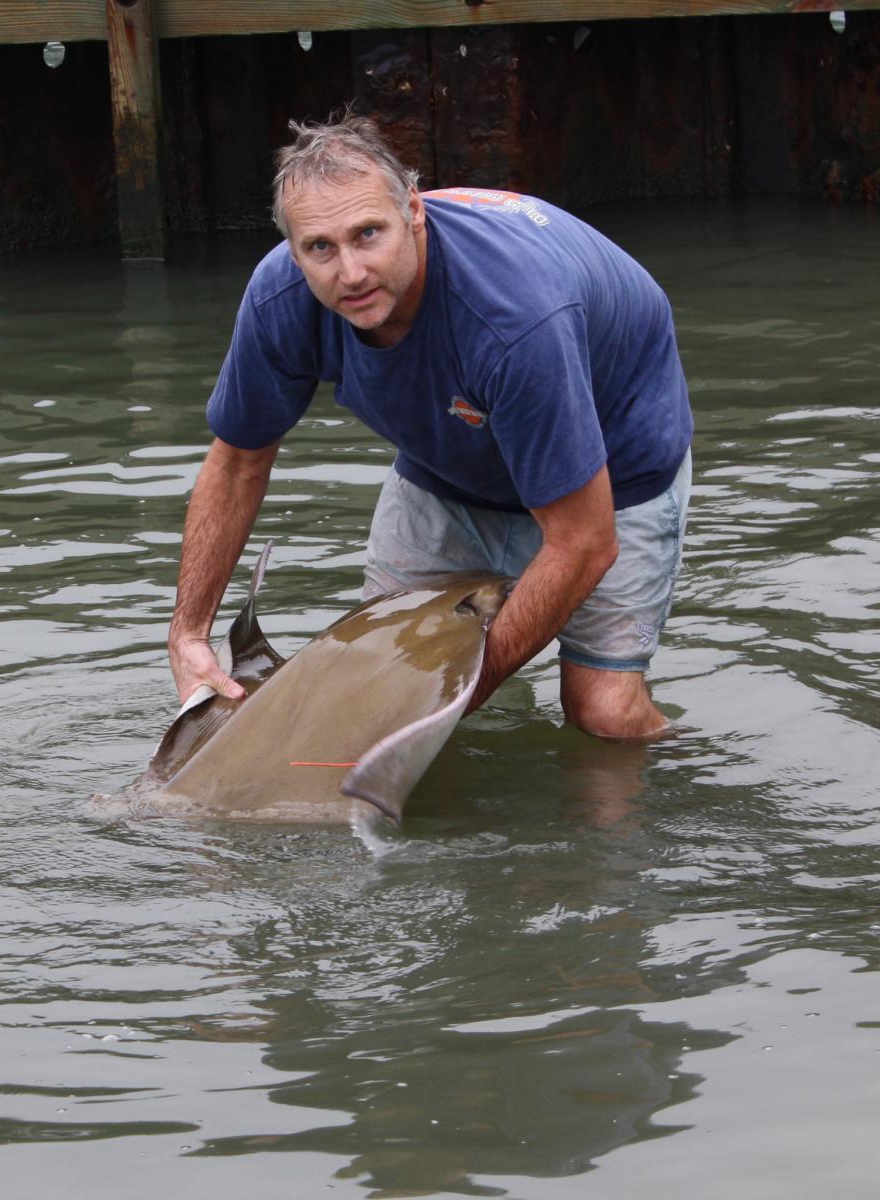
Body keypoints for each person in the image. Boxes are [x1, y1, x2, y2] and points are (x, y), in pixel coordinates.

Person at [168, 112, 692, 739]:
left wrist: (459, 695)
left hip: (614, 460)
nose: (352, 273)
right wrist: (188, 633)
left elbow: (585, 542)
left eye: (369, 234)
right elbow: (236, 463)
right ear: (292, 250)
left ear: (414, 212)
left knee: (601, 714)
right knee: (382, 689)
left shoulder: (515, 319)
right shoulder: (280, 297)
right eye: (321, 248)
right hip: (447, 460)